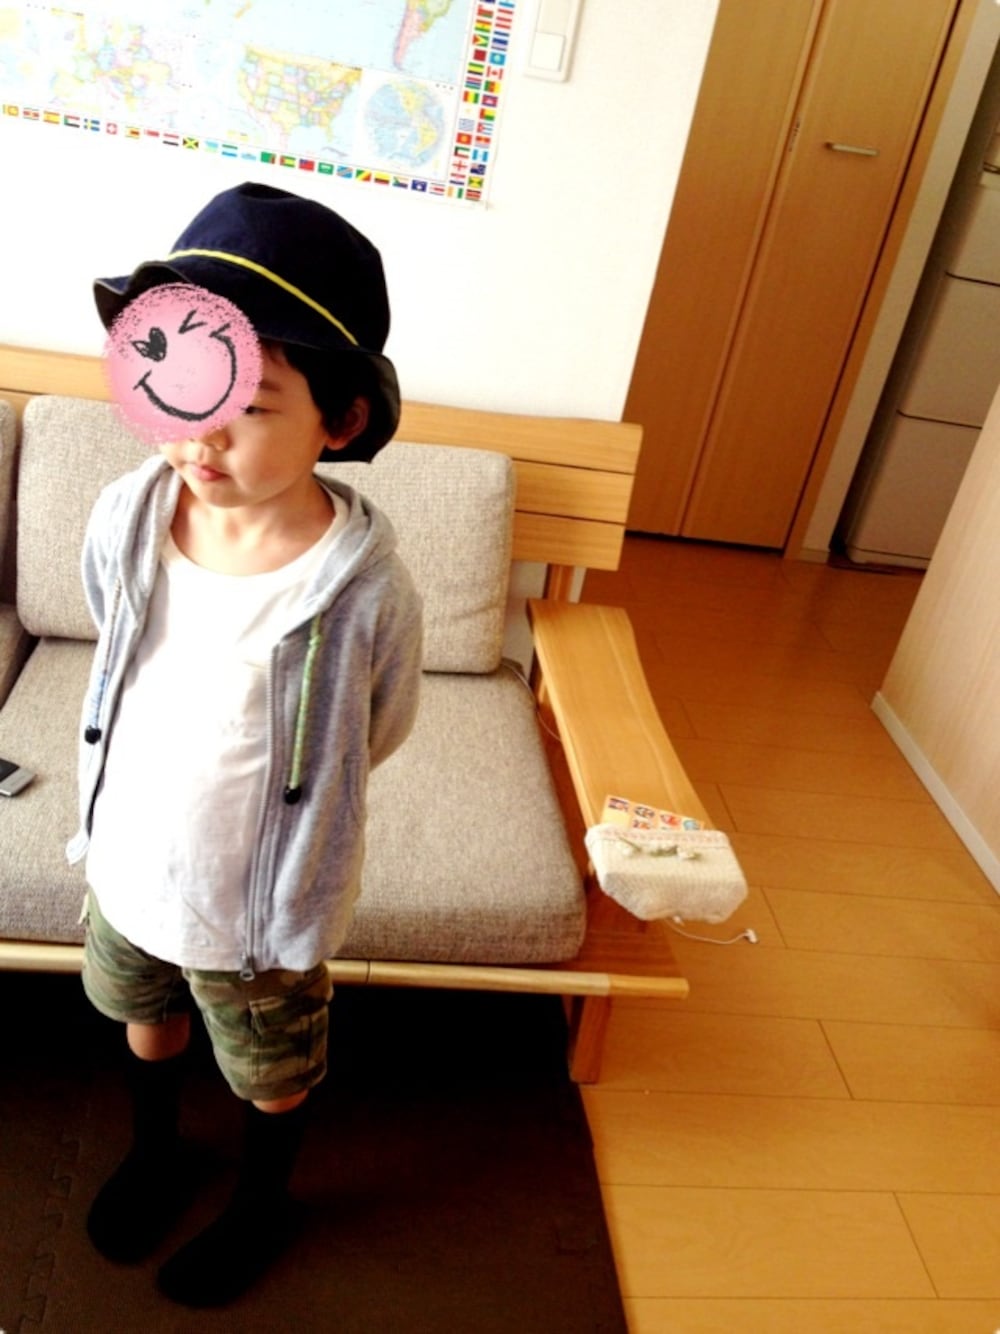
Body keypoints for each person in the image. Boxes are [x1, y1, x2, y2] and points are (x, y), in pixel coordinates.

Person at [68, 182, 423, 1307]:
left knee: (268, 1064)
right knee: (143, 1007)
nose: (200, 432)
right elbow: (110, 635)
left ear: (339, 422)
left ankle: (265, 1197)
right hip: (130, 859)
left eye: (250, 404)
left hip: (260, 905)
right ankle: (156, 1147)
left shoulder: (363, 588)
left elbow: (379, 724)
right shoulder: (127, 515)